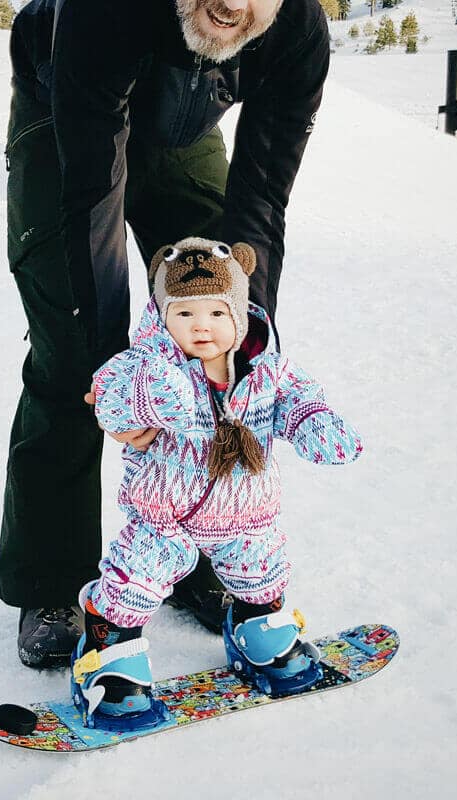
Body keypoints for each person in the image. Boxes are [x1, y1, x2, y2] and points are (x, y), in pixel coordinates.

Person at [1, 0, 332, 667]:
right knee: (72, 353)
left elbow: (262, 195)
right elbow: (91, 201)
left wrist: (246, 342)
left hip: (183, 129)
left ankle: (197, 551)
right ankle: (54, 581)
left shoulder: (296, 29)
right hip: (65, 111)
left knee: (209, 335)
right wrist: (110, 377)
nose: (234, 4)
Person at [70, 237, 362, 725]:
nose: (201, 325)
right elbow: (111, 398)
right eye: (184, 314)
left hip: (246, 511)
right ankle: (107, 648)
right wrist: (155, 392)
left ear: (240, 318)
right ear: (163, 318)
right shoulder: (146, 367)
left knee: (260, 572)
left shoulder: (267, 373)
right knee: (133, 582)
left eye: (216, 313)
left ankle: (256, 626)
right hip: (165, 515)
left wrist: (314, 422)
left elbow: (298, 399)